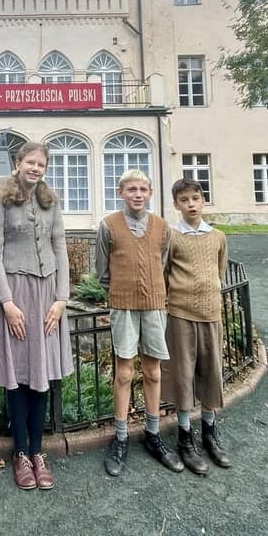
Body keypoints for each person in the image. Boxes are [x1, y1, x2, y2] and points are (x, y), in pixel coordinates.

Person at [0, 142, 73, 491]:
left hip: (47, 294)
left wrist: (62, 299)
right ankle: (21, 452)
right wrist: (6, 302)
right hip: (16, 292)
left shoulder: (50, 201)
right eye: (30, 162)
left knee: (42, 372)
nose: (35, 168)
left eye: (41, 164)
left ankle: (38, 451)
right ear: (18, 162)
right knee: (18, 374)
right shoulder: (1, 200)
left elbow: (60, 247)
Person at [96, 169, 184, 477]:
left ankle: (153, 433)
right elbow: (103, 271)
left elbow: (162, 264)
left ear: (150, 193)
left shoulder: (162, 227)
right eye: (131, 189)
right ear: (121, 192)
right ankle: (120, 436)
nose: (137, 194)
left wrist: (151, 290)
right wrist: (121, 290)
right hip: (123, 305)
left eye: (143, 189)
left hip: (154, 305)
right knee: (124, 372)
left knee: (153, 371)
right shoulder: (108, 225)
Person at [162, 178, 232, 475]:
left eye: (195, 198)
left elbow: (219, 270)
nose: (190, 204)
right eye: (184, 200)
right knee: (183, 374)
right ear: (176, 205)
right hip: (181, 314)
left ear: (203, 201)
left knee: (210, 372)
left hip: (211, 314)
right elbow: (165, 272)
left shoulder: (218, 237)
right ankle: (185, 437)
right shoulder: (171, 236)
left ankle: (209, 433)